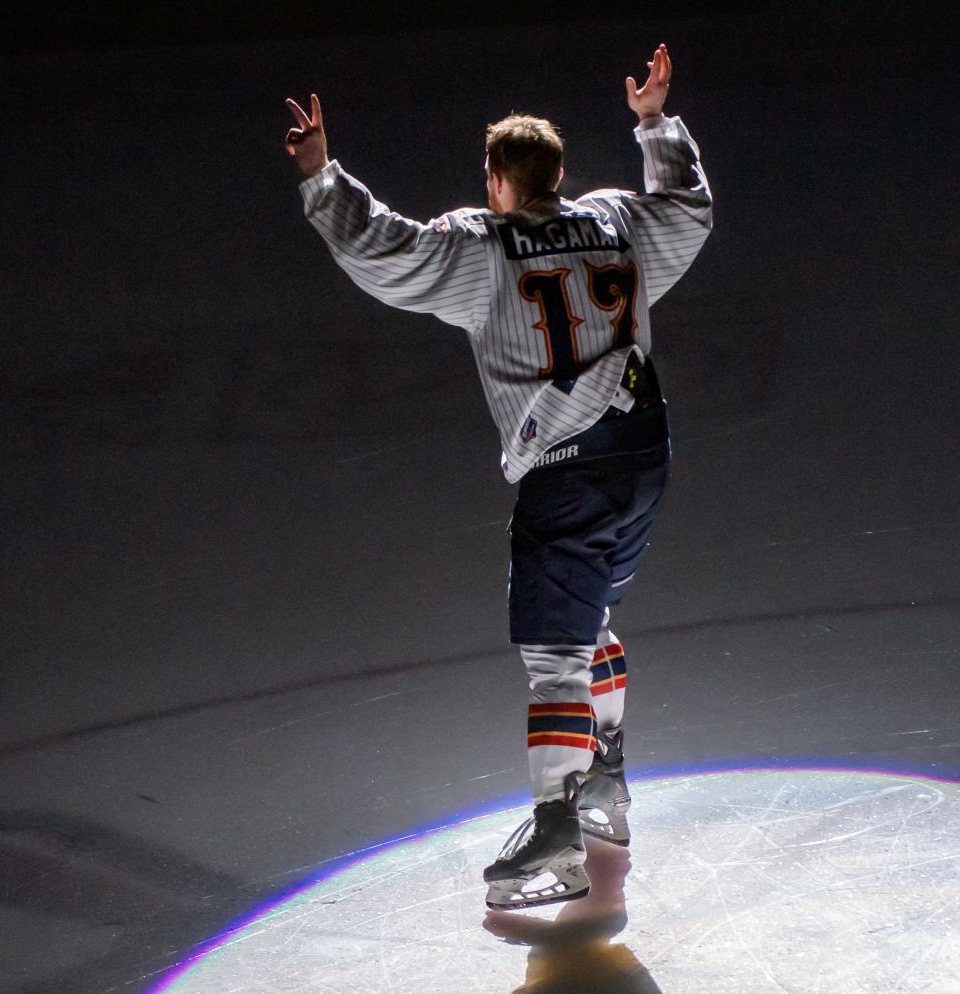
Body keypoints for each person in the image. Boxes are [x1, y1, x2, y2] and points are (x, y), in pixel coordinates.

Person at [285, 42, 711, 910]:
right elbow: (689, 212)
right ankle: (608, 779)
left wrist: (322, 177)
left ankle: (557, 824)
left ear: (497, 181)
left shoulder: (484, 247)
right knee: (590, 617)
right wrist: (656, 124)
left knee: (554, 653)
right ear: (557, 173)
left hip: (569, 467)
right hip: (646, 452)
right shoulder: (612, 222)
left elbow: (386, 250)